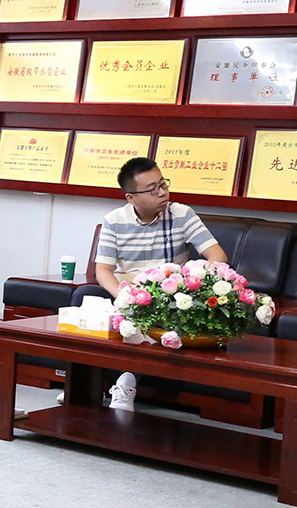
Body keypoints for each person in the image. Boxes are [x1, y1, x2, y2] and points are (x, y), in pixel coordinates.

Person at [83, 157, 229, 412]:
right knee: (84, 297)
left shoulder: (181, 214)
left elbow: (217, 256)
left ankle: (125, 383)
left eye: (163, 184)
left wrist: (195, 280)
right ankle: (84, 385)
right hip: (128, 288)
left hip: (168, 291)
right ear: (131, 198)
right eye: (152, 189)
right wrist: (122, 296)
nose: (162, 193)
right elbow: (103, 271)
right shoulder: (114, 220)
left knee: (153, 311)